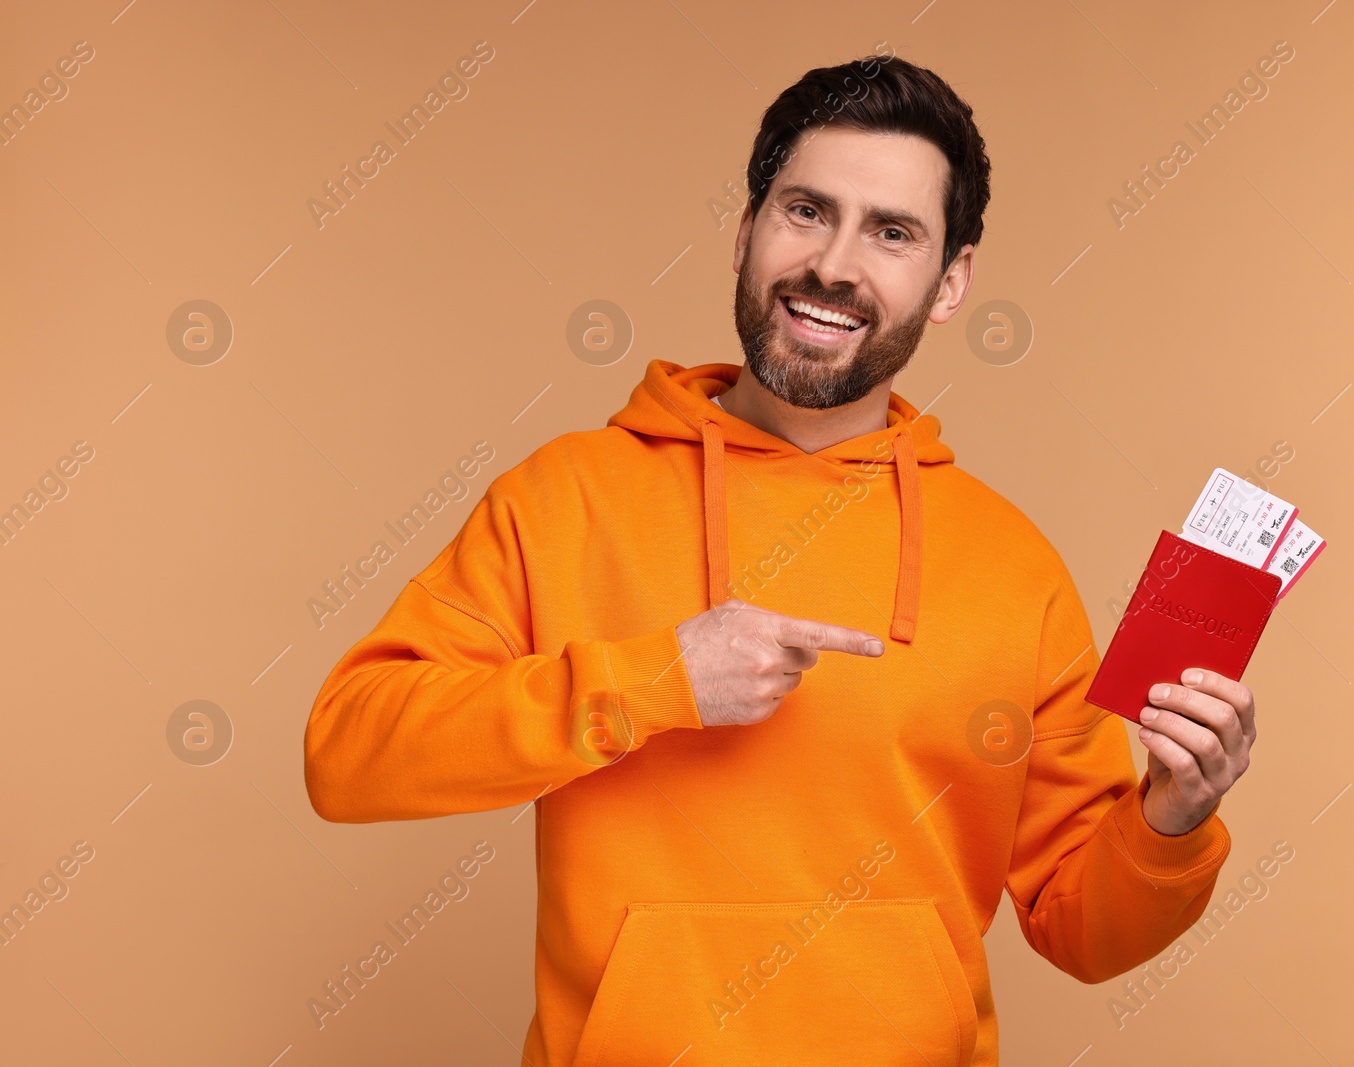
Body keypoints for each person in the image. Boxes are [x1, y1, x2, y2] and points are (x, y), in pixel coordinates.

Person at [304, 52, 1257, 1067]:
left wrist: (1170, 820)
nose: (834, 264)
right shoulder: (564, 498)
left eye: (892, 233)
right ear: (745, 229)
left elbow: (1083, 928)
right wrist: (653, 679)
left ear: (950, 282)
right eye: (807, 211)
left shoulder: (1015, 565)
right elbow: (349, 753)